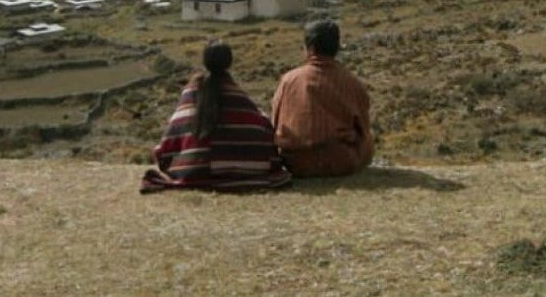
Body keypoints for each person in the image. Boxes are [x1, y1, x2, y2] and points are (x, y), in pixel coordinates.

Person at [140, 41, 291, 193]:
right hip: (246, 170)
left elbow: (172, 136)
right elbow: (261, 127)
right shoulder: (239, 98)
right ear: (229, 62)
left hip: (193, 170)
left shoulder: (191, 94)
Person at [272, 20, 373, 177]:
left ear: (310, 48)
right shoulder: (351, 81)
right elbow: (363, 128)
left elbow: (275, 120)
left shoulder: (289, 80)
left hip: (296, 163)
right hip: (341, 162)